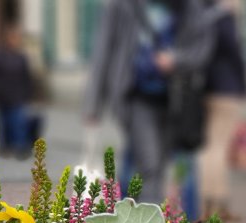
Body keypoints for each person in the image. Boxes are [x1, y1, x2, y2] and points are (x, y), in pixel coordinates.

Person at [85, 0, 220, 204]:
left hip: (176, 100)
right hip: (135, 96)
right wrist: (93, 105)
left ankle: (143, 213)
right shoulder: (121, 7)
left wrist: (176, 60)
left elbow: (202, 49)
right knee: (150, 164)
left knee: (160, 166)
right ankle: (149, 215)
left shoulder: (189, 8)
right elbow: (102, 53)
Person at [197, 0, 246, 221]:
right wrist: (245, 86)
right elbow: (236, 54)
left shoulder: (198, 15)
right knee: (218, 147)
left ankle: (207, 203)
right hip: (227, 89)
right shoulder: (223, 18)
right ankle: (217, 202)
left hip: (203, 89)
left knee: (208, 147)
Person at [0, 24, 34, 160]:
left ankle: (20, 147)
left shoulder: (21, 57)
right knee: (4, 123)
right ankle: (5, 146)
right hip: (1, 97)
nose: (15, 41)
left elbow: (27, 77)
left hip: (17, 96)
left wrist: (28, 94)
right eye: (13, 38)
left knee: (19, 123)